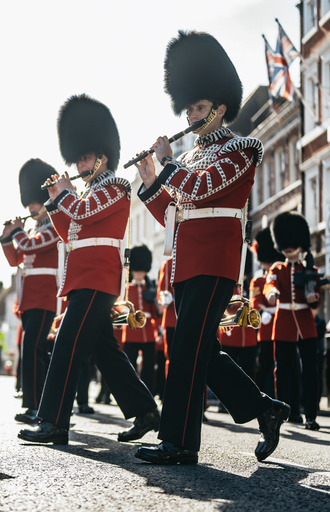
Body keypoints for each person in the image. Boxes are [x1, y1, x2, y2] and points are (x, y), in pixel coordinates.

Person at [133, 31, 289, 465]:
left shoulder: (242, 149)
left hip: (216, 264)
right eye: (188, 108)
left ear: (219, 109)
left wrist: (166, 166)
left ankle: (179, 441)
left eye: (198, 107)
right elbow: (173, 214)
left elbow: (203, 190)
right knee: (202, 350)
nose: (191, 114)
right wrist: (150, 181)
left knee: (187, 350)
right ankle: (264, 408)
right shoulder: (192, 157)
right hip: (186, 264)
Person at [18, 94, 160, 446]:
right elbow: (70, 232)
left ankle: (52, 422)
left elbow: (82, 212)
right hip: (83, 278)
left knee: (66, 348)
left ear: (102, 156)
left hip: (99, 278)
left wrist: (66, 195)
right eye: (78, 158)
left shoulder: (115, 186)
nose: (80, 164)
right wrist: (54, 201)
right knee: (105, 352)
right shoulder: (86, 192)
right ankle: (144, 411)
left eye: (85, 157)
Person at [0, 158, 60, 425]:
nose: (31, 208)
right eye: (29, 204)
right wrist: (6, 236)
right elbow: (16, 259)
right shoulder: (35, 228)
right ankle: (32, 404)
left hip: (44, 295)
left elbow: (29, 246)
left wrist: (17, 232)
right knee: (29, 351)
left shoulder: (54, 226)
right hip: (28, 298)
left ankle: (37, 406)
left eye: (35, 204)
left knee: (35, 350)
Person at [265, 211, 322, 430]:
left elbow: (316, 301)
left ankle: (311, 415)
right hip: (284, 323)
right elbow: (271, 283)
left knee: (310, 371)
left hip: (305, 324)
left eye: (292, 245)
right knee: (283, 371)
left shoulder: (311, 269)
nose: (288, 249)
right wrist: (271, 293)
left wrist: (313, 298)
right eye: (285, 246)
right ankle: (284, 411)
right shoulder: (277, 268)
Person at [250, 227, 284, 396]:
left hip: (284, 326)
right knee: (265, 366)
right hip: (266, 329)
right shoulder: (258, 281)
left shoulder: (283, 275)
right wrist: (265, 312)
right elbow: (254, 303)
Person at [121, 245, 159, 393]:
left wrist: (155, 302)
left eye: (142, 271)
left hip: (148, 333)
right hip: (131, 331)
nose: (139, 273)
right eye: (137, 270)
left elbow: (156, 314)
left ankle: (147, 392)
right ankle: (131, 393)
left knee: (148, 367)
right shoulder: (126, 289)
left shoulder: (149, 289)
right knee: (129, 365)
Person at [155, 257, 175, 399]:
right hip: (172, 319)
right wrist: (165, 298)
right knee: (172, 360)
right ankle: (171, 398)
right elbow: (161, 291)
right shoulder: (168, 264)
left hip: (192, 315)